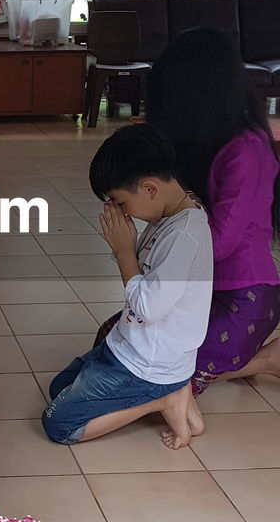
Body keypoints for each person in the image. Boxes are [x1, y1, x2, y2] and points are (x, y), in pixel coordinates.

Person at [42, 125, 213, 450]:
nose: (120, 210)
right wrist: (124, 244)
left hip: (148, 364)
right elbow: (145, 274)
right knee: (58, 388)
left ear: (149, 188)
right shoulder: (167, 215)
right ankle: (180, 397)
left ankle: (164, 401)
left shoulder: (185, 237)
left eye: (120, 201)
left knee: (59, 423)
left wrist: (123, 251)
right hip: (131, 346)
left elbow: (148, 307)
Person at [144, 27, 280, 395]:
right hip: (197, 293)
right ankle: (252, 360)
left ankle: (265, 359)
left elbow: (216, 245)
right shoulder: (206, 142)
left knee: (160, 378)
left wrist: (146, 238)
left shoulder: (246, 151)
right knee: (114, 343)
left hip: (243, 298)